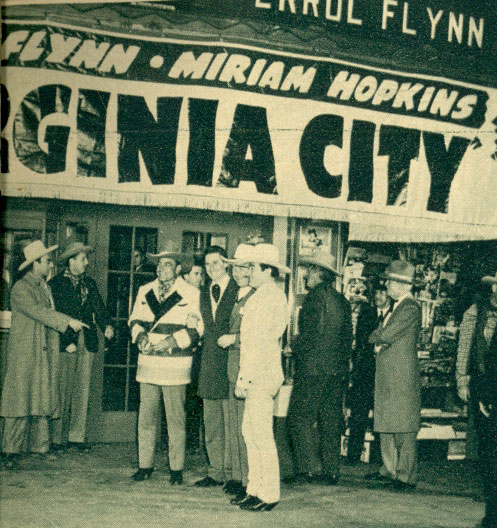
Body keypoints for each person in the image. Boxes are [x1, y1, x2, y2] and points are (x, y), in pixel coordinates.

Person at [1, 241, 87, 469]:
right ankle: (10, 450)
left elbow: (45, 312)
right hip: (25, 352)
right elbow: (38, 312)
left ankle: (39, 446)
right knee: (19, 400)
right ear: (35, 263)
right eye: (47, 261)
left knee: (41, 397)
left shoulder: (44, 286)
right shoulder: (21, 287)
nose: (50, 265)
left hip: (42, 352)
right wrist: (66, 321)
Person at [128, 242, 203, 485]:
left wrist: (172, 340)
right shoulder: (144, 290)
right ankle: (145, 465)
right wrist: (139, 336)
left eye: (167, 264)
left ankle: (176, 469)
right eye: (159, 264)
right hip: (148, 362)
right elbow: (135, 320)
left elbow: (197, 329)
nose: (161, 268)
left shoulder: (192, 294)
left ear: (179, 268)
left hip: (175, 365)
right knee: (146, 417)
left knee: (175, 419)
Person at [230, 243, 289, 511]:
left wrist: (245, 378)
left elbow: (259, 342)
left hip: (261, 374)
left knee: (261, 435)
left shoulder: (270, 297)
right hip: (258, 372)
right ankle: (254, 489)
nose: (249, 271)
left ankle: (269, 494)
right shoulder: (262, 294)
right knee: (249, 432)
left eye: (253, 267)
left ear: (267, 270)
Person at [287, 253, 352, 485]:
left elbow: (310, 336)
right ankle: (331, 470)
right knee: (330, 420)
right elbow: (346, 339)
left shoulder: (314, 298)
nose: (306, 275)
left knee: (299, 418)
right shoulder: (342, 300)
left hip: (313, 369)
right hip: (337, 371)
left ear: (317, 272)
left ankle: (309, 468)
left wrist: (293, 344)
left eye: (309, 270)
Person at [49, 242, 114, 451]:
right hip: (66, 344)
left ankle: (76, 437)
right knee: (62, 390)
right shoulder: (55, 284)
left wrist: (107, 326)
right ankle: (57, 438)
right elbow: (53, 317)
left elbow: (99, 308)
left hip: (87, 341)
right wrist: (65, 342)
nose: (86, 262)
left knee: (82, 390)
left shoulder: (90, 283)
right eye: (83, 258)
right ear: (72, 260)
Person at [366, 260, 422, 491]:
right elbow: (381, 334)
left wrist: (376, 336)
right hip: (391, 374)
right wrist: (378, 336)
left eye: (390, 281)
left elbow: (384, 335)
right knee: (386, 423)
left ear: (401, 284)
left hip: (401, 375)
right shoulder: (397, 306)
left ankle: (405, 475)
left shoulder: (409, 307)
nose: (386, 284)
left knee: (403, 428)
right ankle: (389, 470)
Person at [456, 272, 497, 528]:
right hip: (485, 387)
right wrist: (462, 379)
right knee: (490, 451)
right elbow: (465, 346)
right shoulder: (476, 312)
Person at [195, 246, 238, 488]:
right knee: (211, 420)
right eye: (208, 264)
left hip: (230, 361)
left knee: (230, 419)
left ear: (226, 264)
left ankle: (232, 472)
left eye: (216, 263)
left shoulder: (238, 289)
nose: (212, 268)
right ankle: (215, 471)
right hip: (209, 362)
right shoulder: (202, 292)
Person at [217, 244, 255, 500]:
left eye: (242, 266)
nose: (236, 271)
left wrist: (234, 339)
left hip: (246, 369)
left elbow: (258, 335)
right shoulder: (240, 295)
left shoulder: (254, 297)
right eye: (235, 266)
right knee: (234, 426)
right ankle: (238, 477)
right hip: (234, 369)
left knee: (245, 428)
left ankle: (248, 481)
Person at [347, 280, 393, 464]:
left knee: (383, 415)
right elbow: (360, 341)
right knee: (359, 413)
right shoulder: (367, 313)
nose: (379, 296)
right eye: (377, 293)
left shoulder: (395, 314)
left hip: (385, 371)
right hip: (365, 371)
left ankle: (381, 458)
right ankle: (353, 455)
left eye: (383, 292)